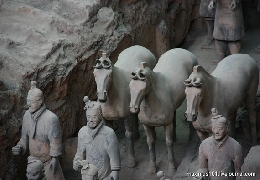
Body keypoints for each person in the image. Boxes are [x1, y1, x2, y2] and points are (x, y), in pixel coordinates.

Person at [12, 81, 64, 179]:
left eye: (32, 101)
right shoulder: (26, 115)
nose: (29, 104)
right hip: (33, 164)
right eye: (28, 101)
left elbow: (55, 140)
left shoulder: (51, 118)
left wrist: (54, 159)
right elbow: (24, 140)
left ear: (40, 101)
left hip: (48, 163)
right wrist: (19, 147)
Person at [73, 96, 121, 180]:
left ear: (100, 115)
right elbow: (79, 154)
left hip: (104, 177)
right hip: (88, 176)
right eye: (88, 117)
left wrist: (114, 173)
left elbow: (114, 159)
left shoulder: (109, 133)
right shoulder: (82, 132)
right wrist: (77, 162)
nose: (90, 120)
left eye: (94, 117)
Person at [198, 108, 243, 180]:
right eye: (214, 128)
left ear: (226, 128)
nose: (216, 132)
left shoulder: (235, 146)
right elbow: (203, 169)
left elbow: (239, 173)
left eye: (220, 129)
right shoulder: (204, 145)